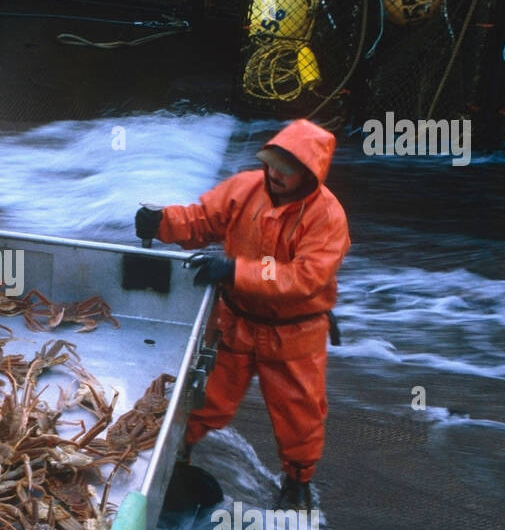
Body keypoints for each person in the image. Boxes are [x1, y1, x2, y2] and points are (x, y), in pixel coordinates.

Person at [136, 119, 349, 510]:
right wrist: (162, 221)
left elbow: (304, 277)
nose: (274, 174)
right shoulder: (246, 188)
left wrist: (235, 269)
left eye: (286, 170)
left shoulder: (328, 218)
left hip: (294, 332)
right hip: (234, 320)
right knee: (201, 397)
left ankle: (298, 482)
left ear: (310, 174)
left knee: (299, 416)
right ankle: (174, 461)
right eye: (270, 164)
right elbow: (203, 220)